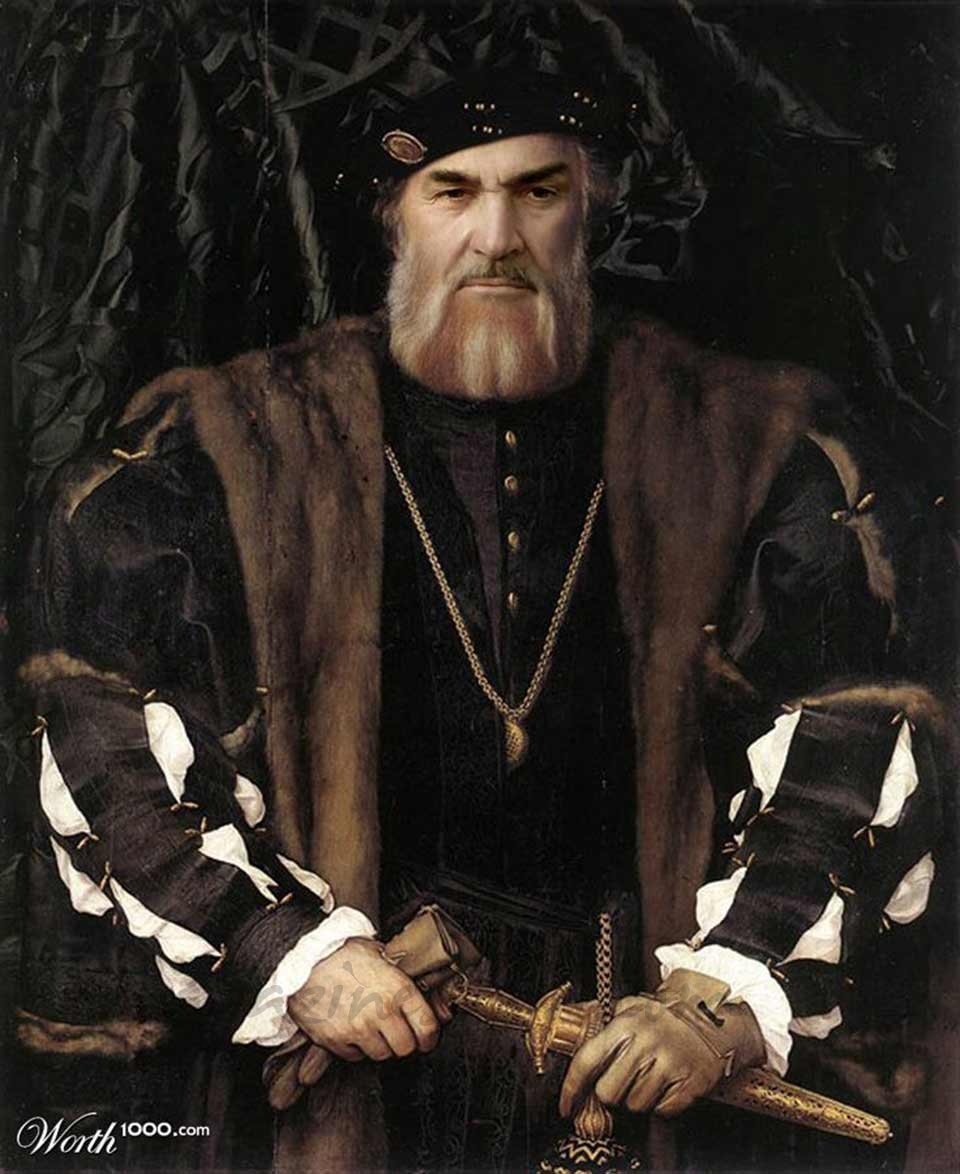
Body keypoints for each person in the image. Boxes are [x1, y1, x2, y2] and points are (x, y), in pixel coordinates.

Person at [11, 55, 953, 1174]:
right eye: (452, 192)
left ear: (590, 213)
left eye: (537, 192)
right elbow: (103, 731)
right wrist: (288, 953)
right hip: (365, 1045)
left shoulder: (748, 436)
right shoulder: (227, 438)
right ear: (394, 218)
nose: (496, 237)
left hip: (649, 1044)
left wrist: (719, 998)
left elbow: (851, 728)